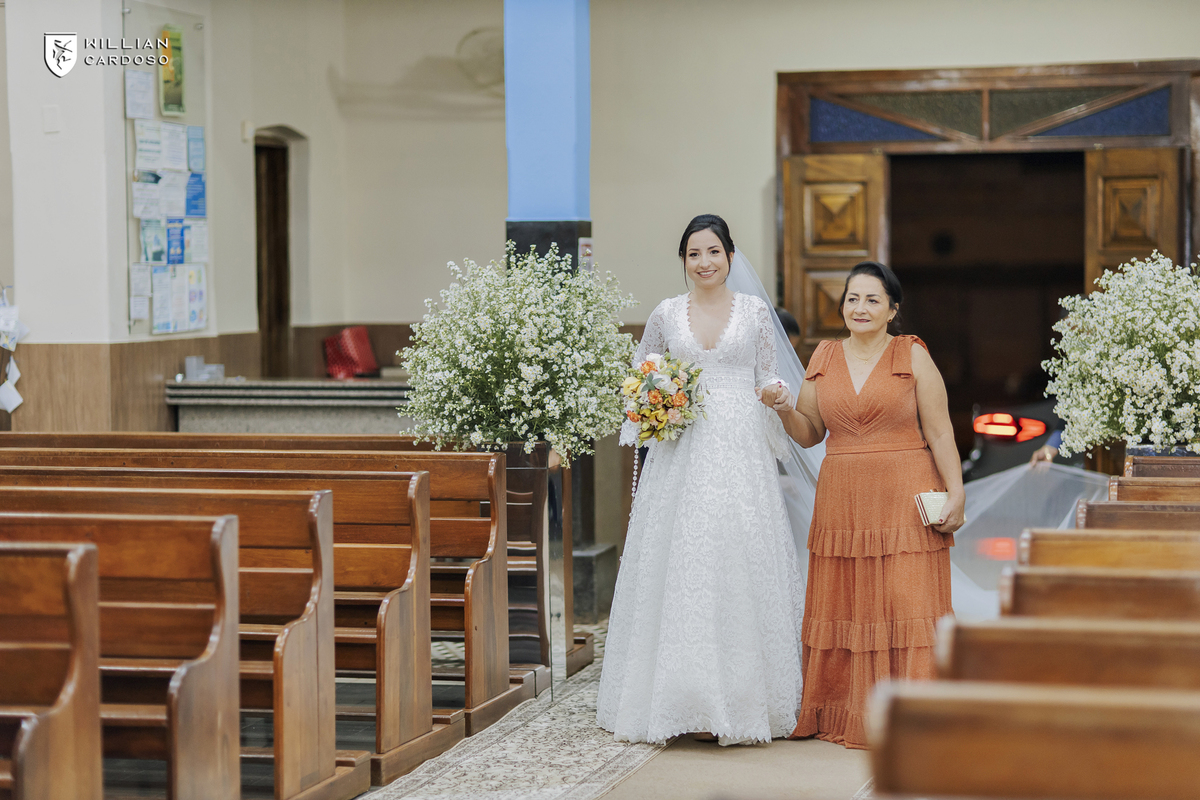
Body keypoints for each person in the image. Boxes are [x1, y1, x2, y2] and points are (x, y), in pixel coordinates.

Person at [596, 214, 807, 746]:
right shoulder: (666, 315)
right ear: (684, 261)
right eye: (694, 253)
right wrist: (653, 402)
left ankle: (742, 700)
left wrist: (778, 394)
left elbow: (767, 377)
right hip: (682, 451)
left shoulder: (756, 312)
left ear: (731, 257)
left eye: (713, 252)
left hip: (740, 452)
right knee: (682, 560)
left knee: (738, 556)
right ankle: (676, 698)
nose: (704, 262)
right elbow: (642, 379)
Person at [762, 260, 964, 749]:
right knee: (849, 603)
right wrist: (786, 408)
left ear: (893, 309)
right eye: (853, 298)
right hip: (844, 497)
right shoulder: (824, 356)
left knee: (907, 601)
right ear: (842, 306)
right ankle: (847, 710)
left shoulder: (911, 354)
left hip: (905, 492)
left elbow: (939, 430)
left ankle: (915, 717)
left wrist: (957, 491)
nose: (861, 307)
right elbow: (810, 435)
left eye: (873, 299)